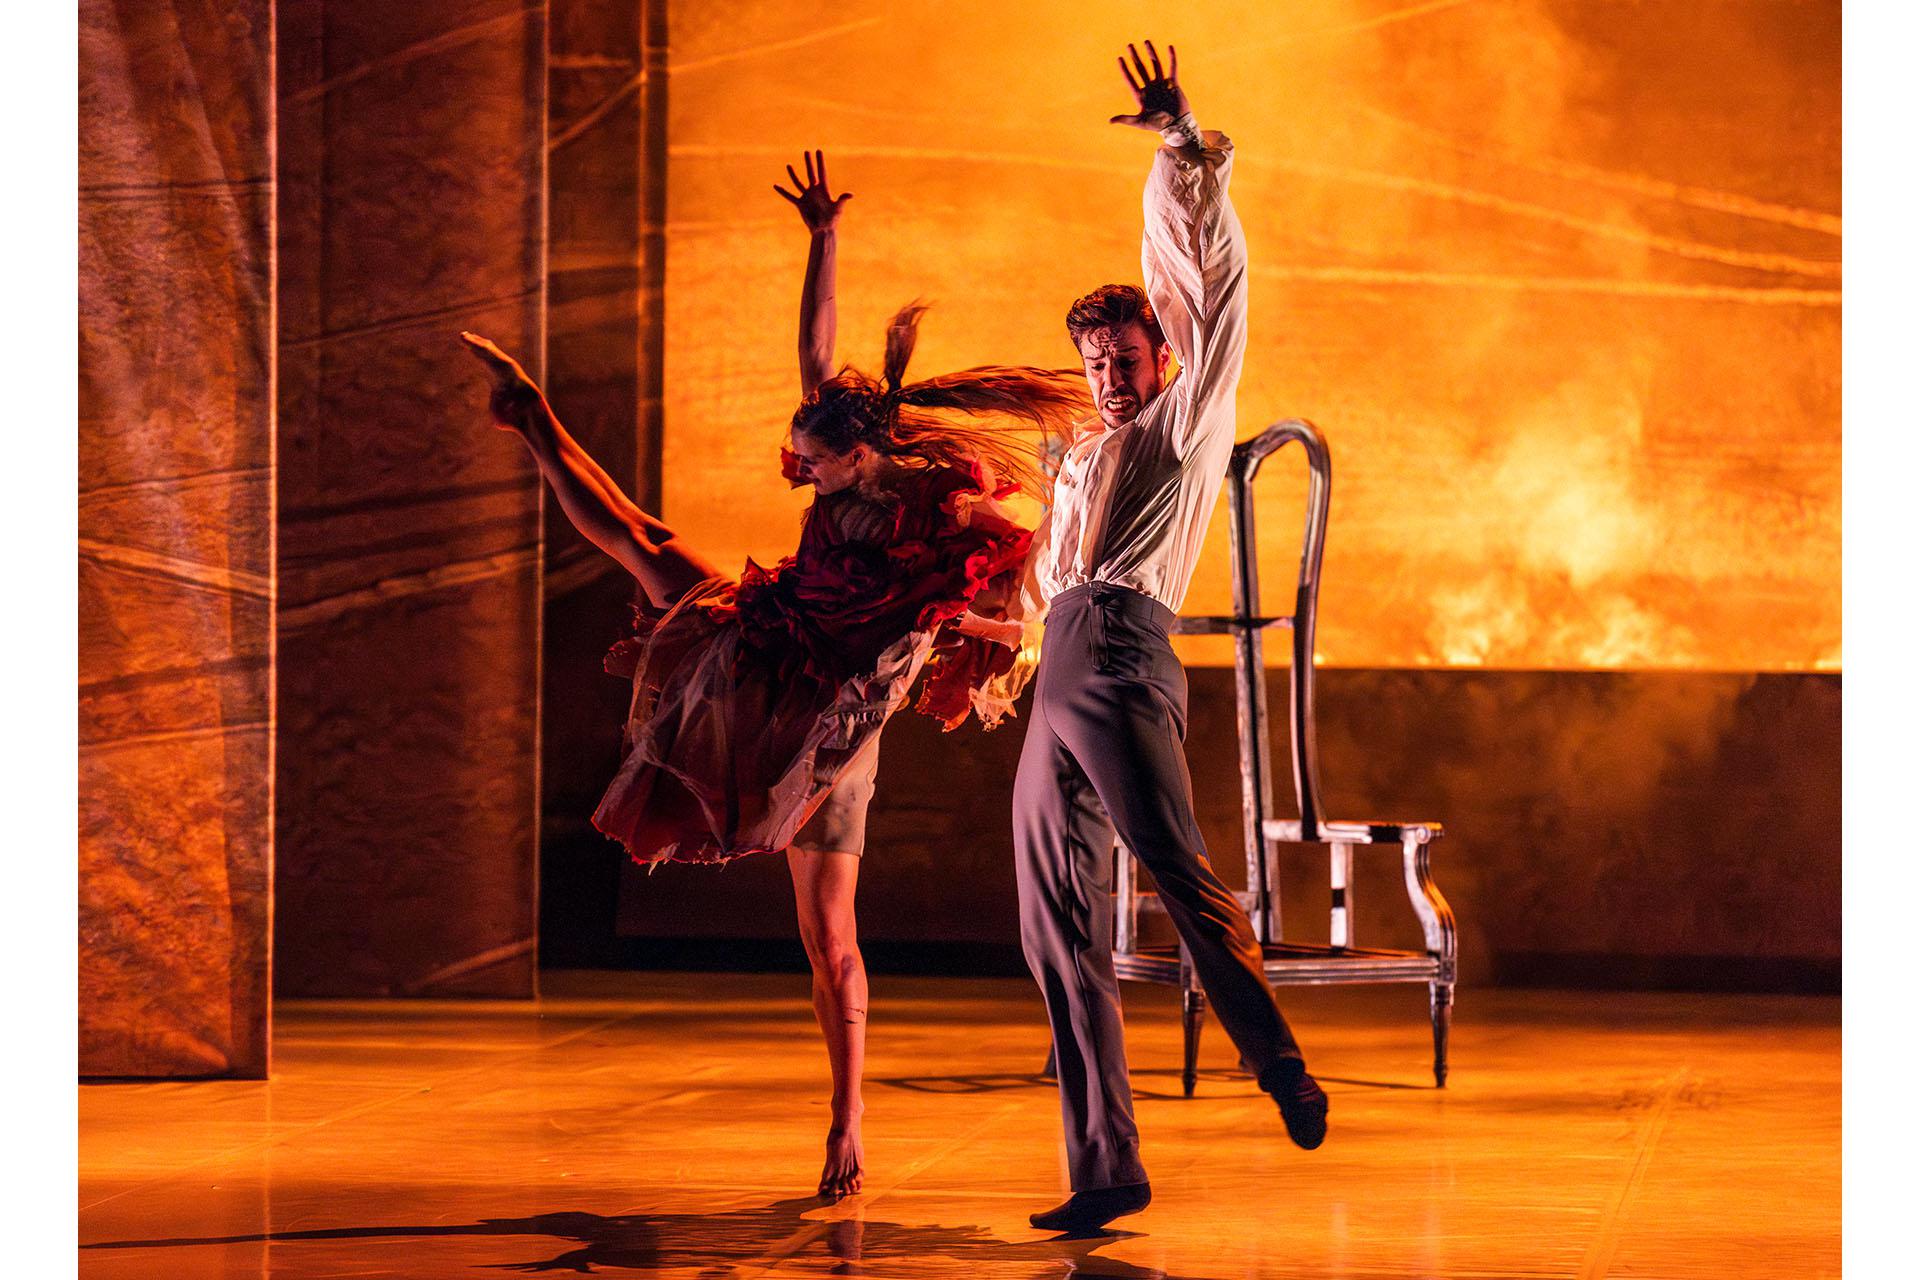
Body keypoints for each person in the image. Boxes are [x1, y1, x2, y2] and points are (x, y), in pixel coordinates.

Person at [461, 151, 1087, 1200]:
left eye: (810, 457)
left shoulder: (945, 506)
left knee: (827, 935)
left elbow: (1020, 589)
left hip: (830, 725)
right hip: (764, 641)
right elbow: (816, 352)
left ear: (859, 455)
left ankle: (846, 1123)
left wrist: (948, 619)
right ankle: (532, 416)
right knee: (641, 537)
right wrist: (822, 237)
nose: (796, 466)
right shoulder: (839, 443)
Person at [1000, 42, 1331, 1234]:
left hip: (1128, 657)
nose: (1109, 374)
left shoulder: (1189, 415)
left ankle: (1281, 1064)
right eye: (1095, 361)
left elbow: (1211, 288)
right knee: (1056, 922)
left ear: (1162, 359)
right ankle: (1105, 1165)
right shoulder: (1083, 459)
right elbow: (1039, 591)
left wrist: (1182, 151)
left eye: (1125, 356)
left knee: (1184, 881)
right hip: (1061, 670)